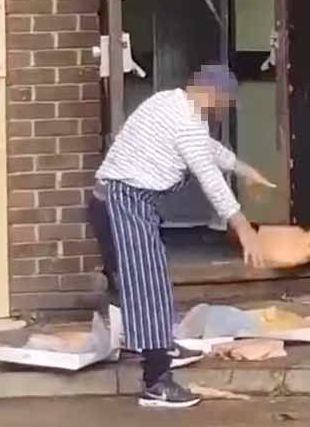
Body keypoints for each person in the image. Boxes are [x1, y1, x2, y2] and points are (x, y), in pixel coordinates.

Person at [91, 63, 275, 409]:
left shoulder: (168, 102)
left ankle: (154, 345)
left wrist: (245, 169)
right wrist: (244, 229)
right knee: (148, 284)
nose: (224, 110)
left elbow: (208, 150)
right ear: (214, 94)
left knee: (143, 279)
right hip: (125, 200)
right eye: (227, 103)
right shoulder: (186, 122)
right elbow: (209, 176)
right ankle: (156, 381)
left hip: (113, 199)